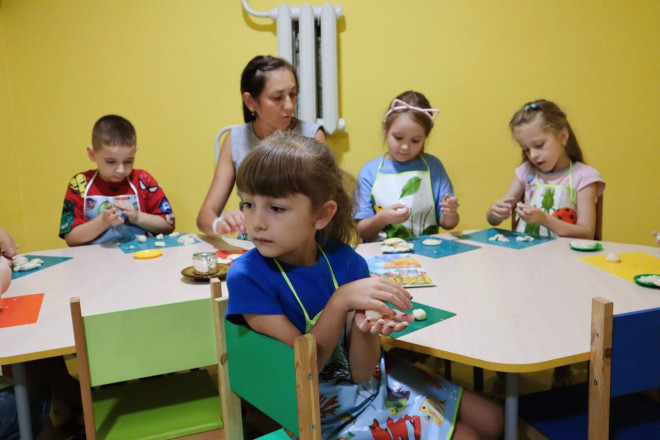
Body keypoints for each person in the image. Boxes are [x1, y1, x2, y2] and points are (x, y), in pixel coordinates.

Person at [226, 131, 502, 439]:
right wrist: (340, 301)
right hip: (310, 408)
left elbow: (361, 371)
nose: (256, 222)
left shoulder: (345, 261)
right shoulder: (247, 276)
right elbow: (305, 373)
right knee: (468, 436)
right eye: (248, 204)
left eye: (275, 208)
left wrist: (368, 327)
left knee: (493, 420)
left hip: (367, 383)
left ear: (322, 214)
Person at [197, 55, 326, 237]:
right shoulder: (235, 140)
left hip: (300, 243)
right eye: (277, 97)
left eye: (292, 94)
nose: (289, 106)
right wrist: (221, 224)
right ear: (250, 102)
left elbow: (329, 206)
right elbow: (205, 217)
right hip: (254, 240)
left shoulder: (312, 136)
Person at [487, 99, 605, 238]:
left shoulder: (584, 176)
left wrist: (545, 219)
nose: (533, 155)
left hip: (564, 252)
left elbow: (586, 233)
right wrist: (495, 213)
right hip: (526, 250)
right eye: (526, 149)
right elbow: (493, 220)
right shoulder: (527, 172)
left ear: (562, 137)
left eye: (539, 145)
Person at [354, 91, 459, 241]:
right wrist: (382, 219)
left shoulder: (433, 167)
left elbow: (448, 224)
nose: (405, 147)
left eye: (415, 141)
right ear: (384, 128)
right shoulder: (369, 172)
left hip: (427, 251)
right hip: (381, 253)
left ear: (426, 136)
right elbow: (361, 231)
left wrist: (450, 213)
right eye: (398, 138)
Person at [59, 115, 175, 246]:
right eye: (110, 161)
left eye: (128, 161)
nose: (120, 170)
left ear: (135, 152)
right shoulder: (80, 184)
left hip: (140, 256)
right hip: (95, 258)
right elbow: (71, 238)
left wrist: (137, 217)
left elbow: (168, 225)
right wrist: (103, 222)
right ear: (92, 154)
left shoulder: (143, 180)